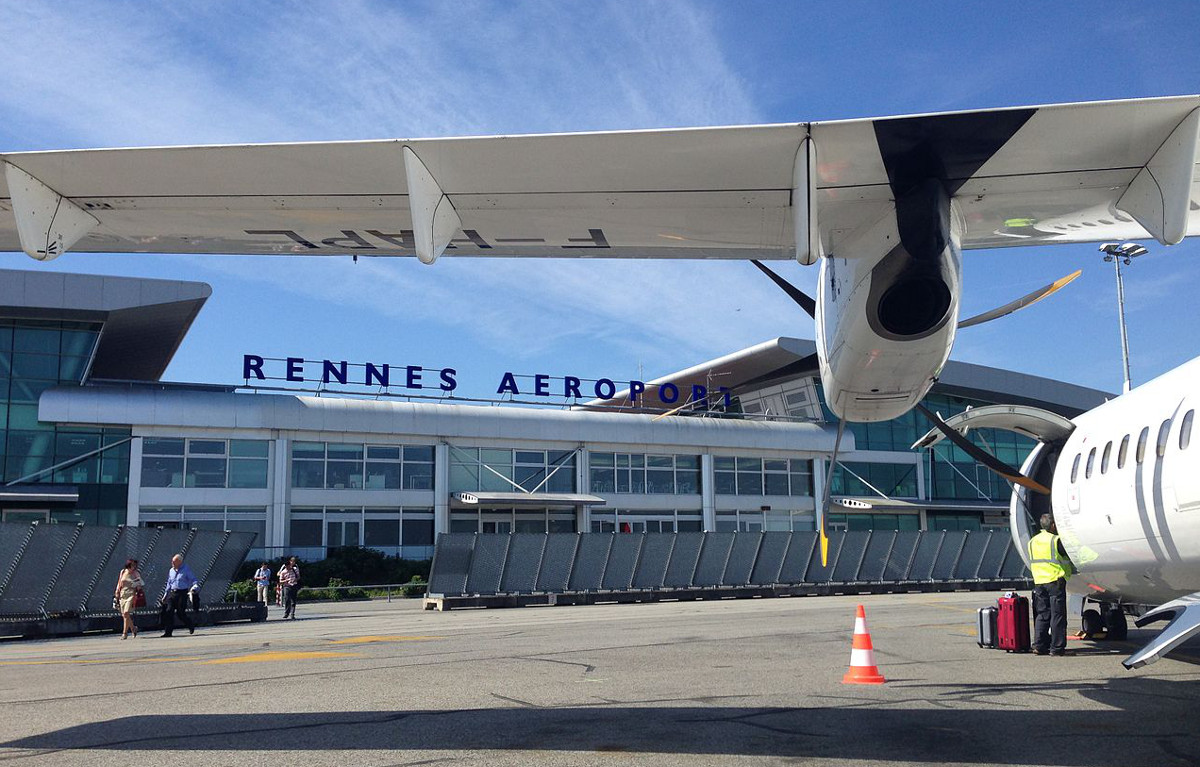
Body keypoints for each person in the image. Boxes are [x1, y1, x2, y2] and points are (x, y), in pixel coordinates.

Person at [1028, 513, 1074, 656]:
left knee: (1042, 614)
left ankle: (1039, 646)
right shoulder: (1055, 540)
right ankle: (1057, 648)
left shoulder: (1032, 541)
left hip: (1039, 582)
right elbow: (1068, 556)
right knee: (1058, 615)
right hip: (1055, 581)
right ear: (1053, 525)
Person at [160, 553, 197, 637]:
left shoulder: (186, 569)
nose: (172, 563)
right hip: (172, 593)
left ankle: (190, 624)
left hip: (182, 593)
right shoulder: (171, 570)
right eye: (172, 561)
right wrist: (165, 595)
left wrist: (194, 587)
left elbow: (193, 580)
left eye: (174, 562)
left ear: (180, 562)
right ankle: (168, 632)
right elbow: (169, 583)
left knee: (180, 613)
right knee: (169, 611)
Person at [113, 558, 144, 640]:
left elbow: (140, 583)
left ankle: (125, 633)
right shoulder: (123, 572)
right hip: (123, 594)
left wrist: (137, 585)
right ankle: (133, 628)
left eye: (135, 566)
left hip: (131, 594)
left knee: (126, 612)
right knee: (124, 615)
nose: (133, 568)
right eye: (132, 566)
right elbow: (120, 582)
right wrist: (117, 592)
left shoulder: (136, 573)